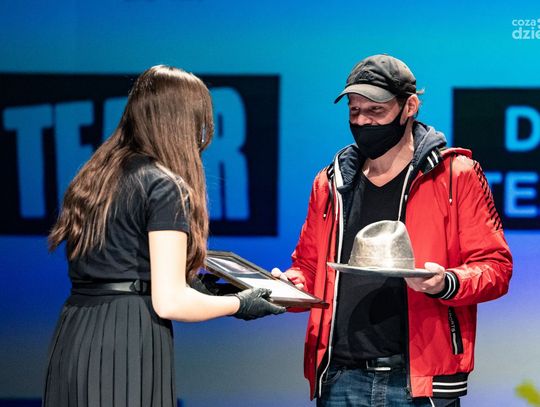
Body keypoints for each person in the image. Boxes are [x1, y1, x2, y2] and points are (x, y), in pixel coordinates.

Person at [273, 54, 512, 406]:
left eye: (376, 111)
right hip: (340, 378)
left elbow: (496, 268)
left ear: (409, 106)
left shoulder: (455, 175)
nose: (362, 121)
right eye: (355, 111)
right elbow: (309, 268)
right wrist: (289, 287)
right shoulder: (330, 182)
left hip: (418, 384)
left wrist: (446, 282)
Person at [43, 65, 285, 407]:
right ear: (182, 123)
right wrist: (240, 304)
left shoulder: (95, 176)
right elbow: (170, 301)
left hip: (77, 330)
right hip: (126, 338)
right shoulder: (164, 185)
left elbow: (123, 262)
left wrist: (204, 288)